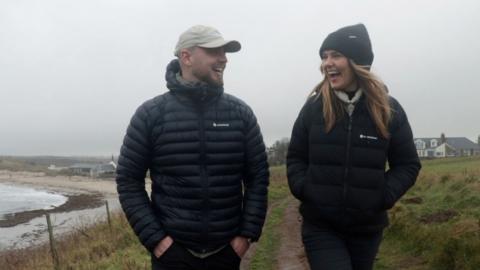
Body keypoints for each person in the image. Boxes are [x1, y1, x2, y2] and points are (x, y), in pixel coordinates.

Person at [116, 25, 269, 270]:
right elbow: (127, 180)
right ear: (186, 57)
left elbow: (258, 177)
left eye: (224, 52)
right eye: (214, 51)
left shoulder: (240, 113)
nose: (224, 58)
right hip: (172, 255)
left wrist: (245, 236)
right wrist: (156, 240)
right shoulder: (150, 114)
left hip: (226, 253)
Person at [287, 23, 421, 270]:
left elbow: (408, 164)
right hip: (321, 226)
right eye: (324, 56)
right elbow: (295, 157)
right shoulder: (313, 110)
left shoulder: (388, 111)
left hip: (367, 229)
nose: (327, 63)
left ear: (358, 61)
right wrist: (307, 189)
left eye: (336, 55)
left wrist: (382, 195)